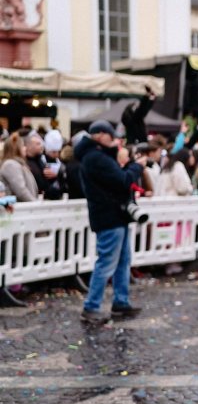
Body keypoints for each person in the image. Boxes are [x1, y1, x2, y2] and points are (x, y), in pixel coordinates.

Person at [74, 120, 146, 324]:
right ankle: (91, 307)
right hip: (109, 216)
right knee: (106, 263)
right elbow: (123, 181)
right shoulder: (95, 158)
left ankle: (120, 302)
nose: (114, 139)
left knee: (122, 261)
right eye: (110, 135)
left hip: (114, 215)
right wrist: (136, 167)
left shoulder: (95, 155)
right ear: (99, 135)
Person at [0, 133, 39, 202]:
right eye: (23, 146)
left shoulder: (19, 164)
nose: (25, 148)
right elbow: (21, 190)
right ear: (16, 148)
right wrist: (35, 203)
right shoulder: (10, 165)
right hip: (19, 210)